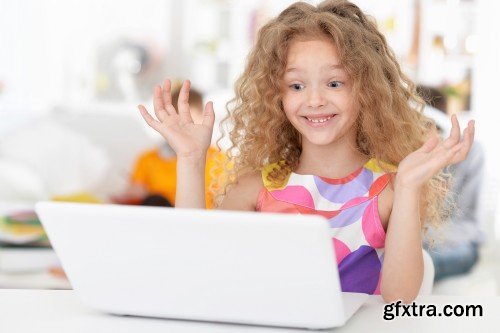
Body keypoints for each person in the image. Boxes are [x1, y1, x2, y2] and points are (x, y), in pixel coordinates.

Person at [138, 0, 475, 303]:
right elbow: (197, 265)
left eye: (334, 83)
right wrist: (191, 160)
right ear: (277, 95)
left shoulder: (389, 190)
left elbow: (400, 300)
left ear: (367, 90)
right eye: (296, 85)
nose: (314, 100)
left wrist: (409, 187)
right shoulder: (254, 189)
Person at [417, 85, 485, 282]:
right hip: (417, 242)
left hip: (458, 243)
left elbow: (469, 224)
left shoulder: (471, 152)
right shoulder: (406, 152)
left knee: (423, 265)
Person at [114, 85, 220, 208]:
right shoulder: (147, 159)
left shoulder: (219, 161)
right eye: (178, 121)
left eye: (190, 120)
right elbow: (132, 198)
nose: (185, 129)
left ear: (202, 116)